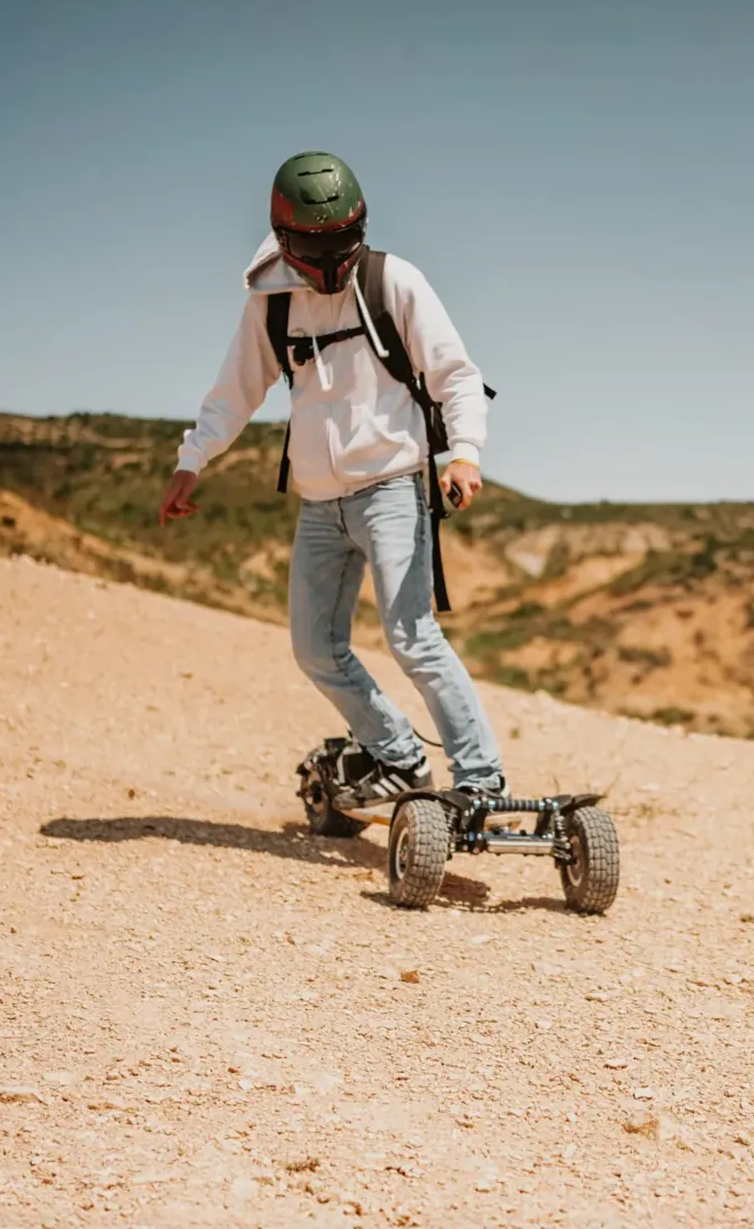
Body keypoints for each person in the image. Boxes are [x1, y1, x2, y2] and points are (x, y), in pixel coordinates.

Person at [157, 151, 505, 800]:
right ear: (285, 238)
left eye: (342, 243)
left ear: (360, 228)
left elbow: (455, 374)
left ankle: (481, 784)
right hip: (320, 504)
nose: (330, 261)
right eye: (314, 248)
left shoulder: (393, 281)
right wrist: (191, 460)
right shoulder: (271, 303)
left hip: (391, 488)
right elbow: (236, 390)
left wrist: (464, 452)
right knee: (315, 648)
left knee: (413, 638)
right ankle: (400, 759)